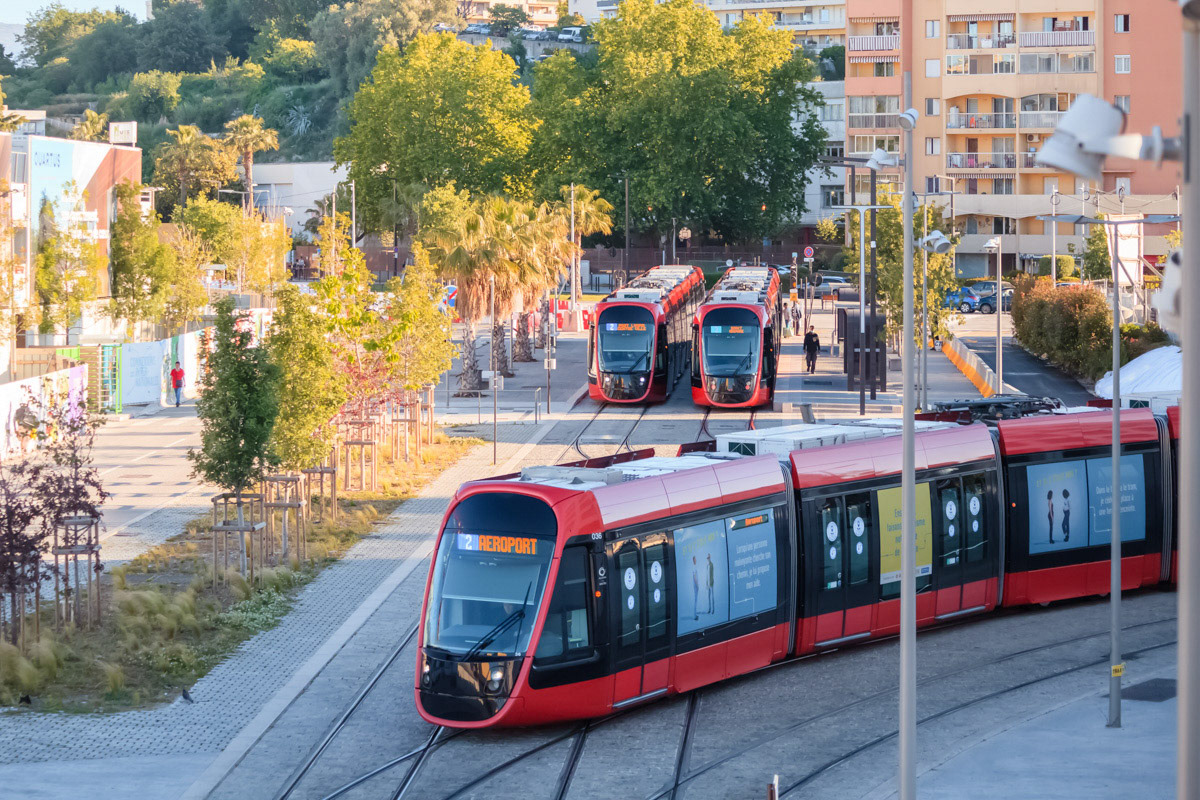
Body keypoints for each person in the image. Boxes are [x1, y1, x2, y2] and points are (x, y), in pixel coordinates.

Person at [691, 556, 700, 621]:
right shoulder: (693, 567)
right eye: (694, 559)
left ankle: (695, 614)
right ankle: (694, 616)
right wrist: (697, 585)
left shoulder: (695, 566)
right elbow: (694, 577)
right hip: (695, 585)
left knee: (696, 600)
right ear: (693, 560)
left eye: (696, 559)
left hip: (695, 585)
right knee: (695, 600)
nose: (695, 560)